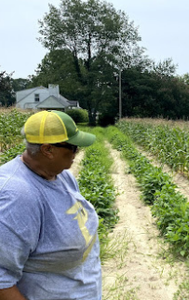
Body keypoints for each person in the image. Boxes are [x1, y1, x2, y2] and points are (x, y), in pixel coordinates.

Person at [0, 110, 101, 300]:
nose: (77, 152)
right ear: (48, 150)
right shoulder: (17, 198)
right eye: (73, 147)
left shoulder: (61, 175)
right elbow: (1, 282)